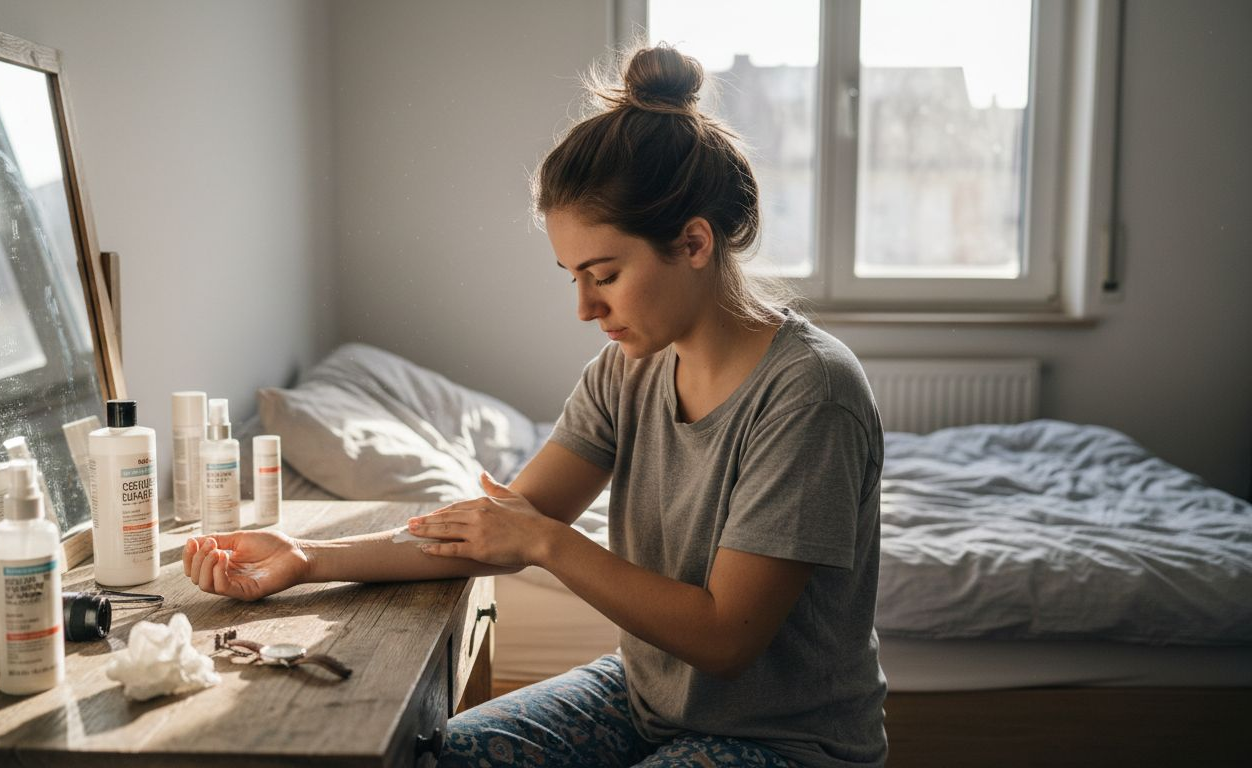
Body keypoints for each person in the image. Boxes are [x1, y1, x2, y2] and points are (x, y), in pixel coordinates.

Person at [182, 44, 886, 768]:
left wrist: (548, 542)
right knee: (432, 759)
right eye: (572, 277)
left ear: (694, 242)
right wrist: (307, 558)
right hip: (649, 700)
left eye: (604, 274)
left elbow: (725, 637)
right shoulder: (627, 373)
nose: (584, 307)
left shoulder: (811, 394)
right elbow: (495, 527)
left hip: (789, 742)